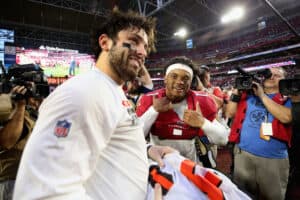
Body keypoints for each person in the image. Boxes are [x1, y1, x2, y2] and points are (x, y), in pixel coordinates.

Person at [13, 8, 173, 200]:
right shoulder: (84, 92)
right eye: (134, 41)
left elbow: (110, 140)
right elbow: (44, 192)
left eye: (145, 46)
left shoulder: (110, 90)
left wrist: (147, 150)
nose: (142, 52)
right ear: (105, 42)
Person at [136, 57, 228, 167]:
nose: (180, 82)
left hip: (189, 165)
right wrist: (153, 111)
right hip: (159, 165)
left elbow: (223, 140)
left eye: (186, 78)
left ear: (191, 82)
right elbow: (135, 136)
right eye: (174, 76)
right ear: (165, 78)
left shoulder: (201, 100)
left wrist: (202, 122)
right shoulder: (150, 99)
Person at [226, 67, 292, 200]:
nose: (272, 76)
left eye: (277, 75)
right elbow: (230, 113)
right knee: (241, 194)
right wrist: (236, 93)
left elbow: (286, 117)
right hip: (242, 154)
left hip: (272, 159)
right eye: (269, 74)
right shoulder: (249, 94)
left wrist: (262, 95)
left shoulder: (290, 97)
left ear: (285, 81)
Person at [0, 86, 36, 200]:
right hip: (11, 179)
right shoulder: (5, 106)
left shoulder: (32, 110)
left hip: (33, 179)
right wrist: (20, 106)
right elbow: (6, 142)